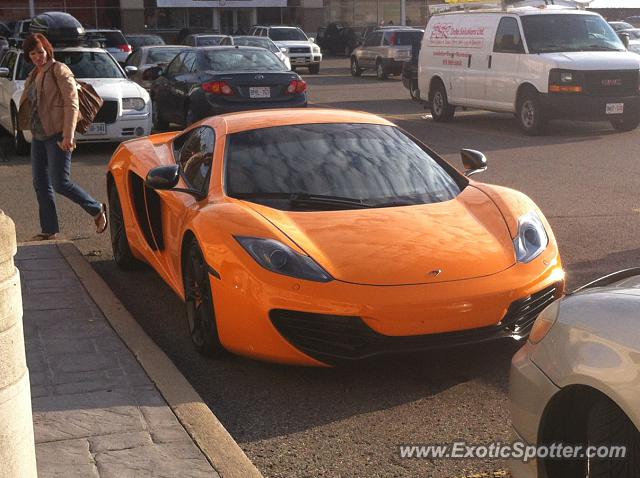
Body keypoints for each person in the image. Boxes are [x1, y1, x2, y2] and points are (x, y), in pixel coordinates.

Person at [18, 33, 107, 241]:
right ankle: (49, 230)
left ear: (47, 49)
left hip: (57, 133)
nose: (38, 56)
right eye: (33, 53)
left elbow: (71, 103)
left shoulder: (59, 70)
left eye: (40, 51)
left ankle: (96, 208)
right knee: (40, 183)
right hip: (39, 135)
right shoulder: (33, 74)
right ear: (28, 56)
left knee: (60, 183)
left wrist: (69, 134)